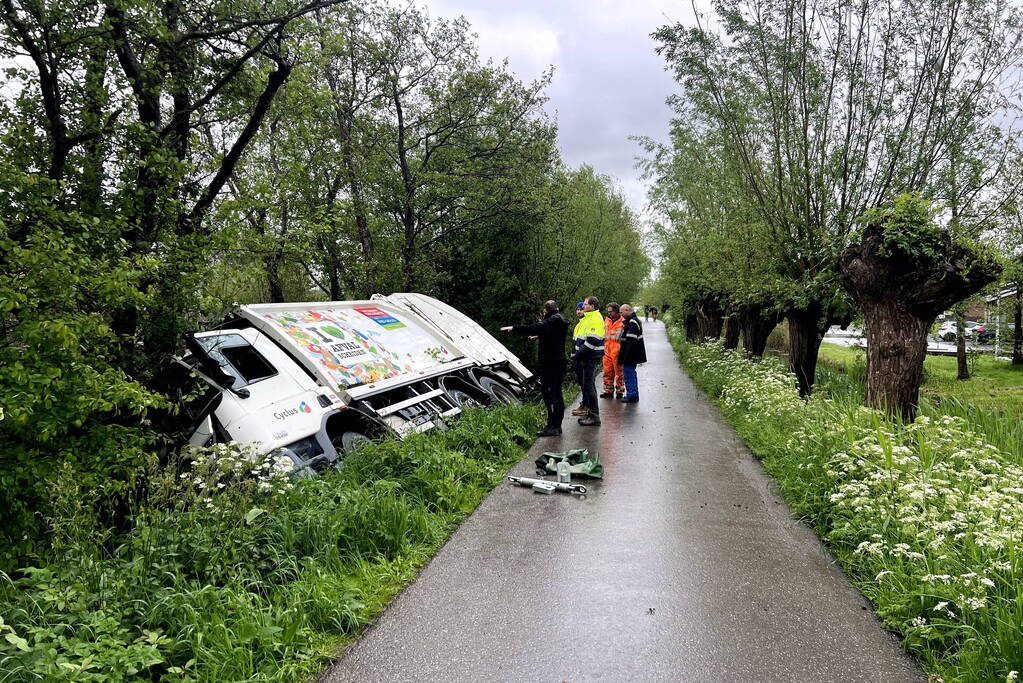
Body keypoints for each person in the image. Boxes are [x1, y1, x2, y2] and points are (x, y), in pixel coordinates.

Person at [501, 300, 569, 436]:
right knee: (556, 393)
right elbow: (553, 335)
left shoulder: (551, 321)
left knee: (550, 393)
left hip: (551, 363)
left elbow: (533, 327)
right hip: (558, 362)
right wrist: (540, 336)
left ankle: (553, 426)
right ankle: (556, 425)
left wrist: (514, 328)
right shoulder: (559, 320)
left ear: (545, 311)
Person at [572, 296, 605, 426]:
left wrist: (578, 355)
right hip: (585, 357)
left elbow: (592, 341)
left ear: (592, 306)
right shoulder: (588, 318)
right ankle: (592, 414)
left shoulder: (595, 319)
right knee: (588, 386)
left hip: (589, 357)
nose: (583, 306)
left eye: (585, 304)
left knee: (588, 386)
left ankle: (594, 416)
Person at [618, 304, 647, 403]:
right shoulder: (632, 321)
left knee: (629, 374)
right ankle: (633, 394)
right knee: (630, 374)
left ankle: (632, 395)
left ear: (627, 310)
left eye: (621, 312)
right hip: (632, 354)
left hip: (630, 355)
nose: (620, 314)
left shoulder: (632, 323)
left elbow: (630, 341)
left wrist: (625, 356)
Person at [600, 302, 625, 399]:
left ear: (616, 311)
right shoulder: (606, 320)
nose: (609, 313)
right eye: (608, 312)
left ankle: (620, 391)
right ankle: (608, 390)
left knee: (619, 372)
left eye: (611, 312)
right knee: (607, 371)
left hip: (618, 349)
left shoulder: (623, 322)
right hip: (607, 349)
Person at [570, 302, 589, 417]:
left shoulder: (586, 323)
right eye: (577, 309)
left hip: (583, 358)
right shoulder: (578, 325)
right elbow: (575, 342)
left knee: (586, 384)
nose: (578, 312)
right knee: (582, 383)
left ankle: (586, 406)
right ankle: (585, 404)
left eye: (581, 309)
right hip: (577, 358)